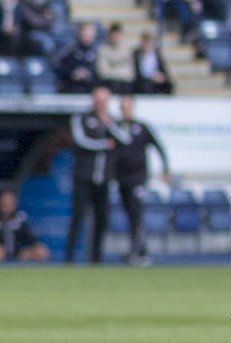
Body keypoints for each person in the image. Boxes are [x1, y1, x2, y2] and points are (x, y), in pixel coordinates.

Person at [111, 95, 168, 267]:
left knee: (137, 214)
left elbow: (158, 146)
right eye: (123, 107)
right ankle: (142, 251)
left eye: (128, 107)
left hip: (138, 179)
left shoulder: (141, 128)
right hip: (122, 179)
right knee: (129, 214)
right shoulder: (116, 127)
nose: (125, 110)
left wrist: (166, 169)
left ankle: (135, 251)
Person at [64, 85, 117, 264]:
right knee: (77, 218)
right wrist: (104, 143)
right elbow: (81, 141)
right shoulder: (81, 118)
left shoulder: (111, 121)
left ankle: (96, 260)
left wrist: (108, 123)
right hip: (83, 178)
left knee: (101, 220)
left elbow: (125, 139)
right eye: (98, 100)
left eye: (104, 101)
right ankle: (69, 259)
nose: (101, 104)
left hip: (103, 179)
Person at [0, 190, 47, 261]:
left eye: (9, 202)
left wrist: (34, 247)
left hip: (16, 254)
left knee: (41, 251)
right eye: (4, 201)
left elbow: (30, 239)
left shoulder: (19, 218)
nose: (6, 205)